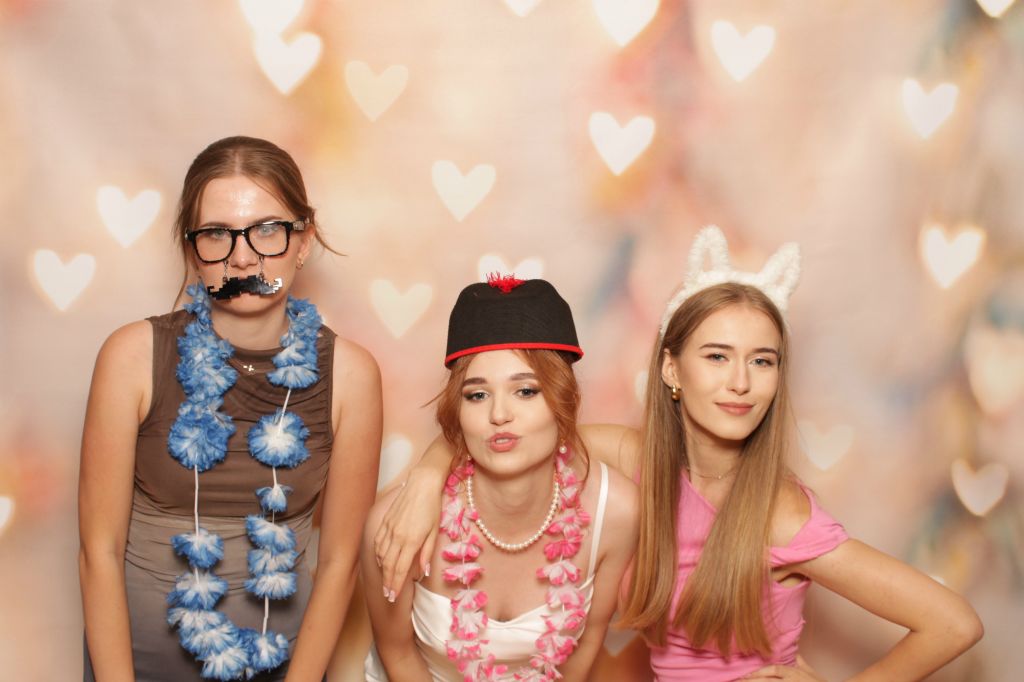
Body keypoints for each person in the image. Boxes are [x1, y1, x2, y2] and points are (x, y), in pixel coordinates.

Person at [372, 227, 983, 680]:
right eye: (717, 356)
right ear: (671, 369)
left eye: (762, 361)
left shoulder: (778, 513)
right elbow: (511, 432)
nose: (740, 382)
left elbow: (953, 623)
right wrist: (426, 478)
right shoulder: (632, 459)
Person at [78, 136, 382, 681]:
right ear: (192, 251)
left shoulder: (352, 376)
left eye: (267, 229)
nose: (243, 257)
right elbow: (97, 550)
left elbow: (339, 564)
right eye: (217, 233)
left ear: (303, 240)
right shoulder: (130, 357)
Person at [361, 276, 639, 681]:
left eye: (526, 391)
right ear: (458, 411)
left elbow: (586, 645)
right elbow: (397, 653)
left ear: (563, 400)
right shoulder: (395, 523)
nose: (499, 415)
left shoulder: (616, 512)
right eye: (477, 395)